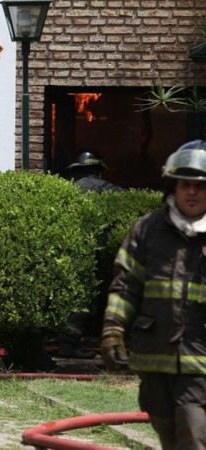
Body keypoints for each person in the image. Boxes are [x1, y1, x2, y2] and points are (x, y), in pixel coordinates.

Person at [101, 139, 206, 449]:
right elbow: (125, 286)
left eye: (200, 186)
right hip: (154, 355)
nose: (192, 192)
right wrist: (113, 330)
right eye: (185, 184)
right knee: (167, 431)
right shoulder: (147, 230)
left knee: (193, 430)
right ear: (172, 186)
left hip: (200, 358)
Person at [59, 150, 125, 359]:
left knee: (74, 297)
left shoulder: (65, 192)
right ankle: (69, 345)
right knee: (86, 299)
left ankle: (76, 340)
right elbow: (129, 202)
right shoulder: (109, 190)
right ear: (98, 170)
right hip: (96, 253)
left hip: (69, 251)